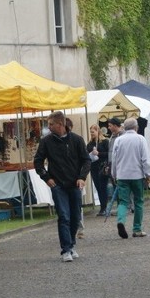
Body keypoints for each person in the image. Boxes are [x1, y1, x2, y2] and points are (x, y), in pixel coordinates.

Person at [33, 111, 91, 262]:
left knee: (75, 216)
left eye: (51, 124)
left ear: (60, 124)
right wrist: (46, 177)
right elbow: (38, 162)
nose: (48, 127)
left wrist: (82, 177)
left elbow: (86, 160)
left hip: (74, 184)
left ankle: (71, 245)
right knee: (64, 216)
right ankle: (66, 249)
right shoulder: (46, 142)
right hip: (58, 185)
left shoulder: (77, 140)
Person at [110, 117, 150, 239]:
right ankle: (137, 229)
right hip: (137, 175)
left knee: (123, 201)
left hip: (122, 175)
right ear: (136, 127)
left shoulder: (118, 140)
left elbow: (114, 159)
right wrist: (148, 174)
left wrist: (114, 174)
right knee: (139, 201)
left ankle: (121, 220)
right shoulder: (140, 139)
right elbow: (145, 159)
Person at [86, 123, 110, 216]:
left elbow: (108, 154)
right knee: (98, 187)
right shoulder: (90, 144)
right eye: (90, 132)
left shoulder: (104, 142)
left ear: (98, 131)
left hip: (102, 167)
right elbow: (86, 153)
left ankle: (104, 207)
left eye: (93, 132)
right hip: (94, 168)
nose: (92, 134)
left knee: (103, 187)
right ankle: (102, 207)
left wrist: (98, 153)